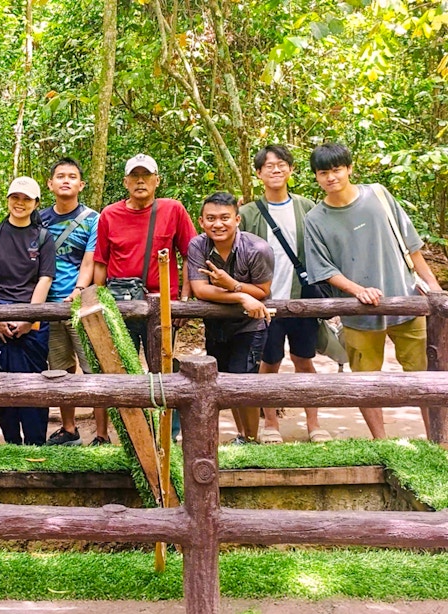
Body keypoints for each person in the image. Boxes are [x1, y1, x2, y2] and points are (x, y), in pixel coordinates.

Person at [305, 142, 442, 439]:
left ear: (349, 169)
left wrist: (433, 287)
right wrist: (358, 290)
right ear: (316, 176)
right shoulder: (315, 219)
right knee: (365, 381)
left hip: (406, 300)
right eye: (323, 172)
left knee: (425, 375)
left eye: (337, 169)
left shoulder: (378, 194)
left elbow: (411, 244)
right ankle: (381, 441)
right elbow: (323, 269)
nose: (331, 177)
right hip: (359, 312)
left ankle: (438, 441)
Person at [93, 154, 196, 439]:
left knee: (161, 366)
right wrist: (99, 302)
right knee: (121, 366)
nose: (140, 181)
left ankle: (168, 433)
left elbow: (191, 254)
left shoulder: (173, 210)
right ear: (125, 182)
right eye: (134, 176)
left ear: (156, 180)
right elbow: (101, 262)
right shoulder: (109, 215)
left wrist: (184, 300)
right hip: (120, 305)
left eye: (146, 175)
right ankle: (133, 432)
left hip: (162, 305)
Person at [239, 145, 331, 444]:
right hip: (266, 303)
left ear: (291, 170)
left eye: (281, 164)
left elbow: (323, 251)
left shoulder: (308, 208)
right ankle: (270, 425)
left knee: (304, 360)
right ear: (258, 174)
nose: (276, 170)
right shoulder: (248, 213)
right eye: (269, 166)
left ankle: (314, 424)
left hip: (301, 300)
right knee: (270, 363)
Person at [188, 192, 274, 443]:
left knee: (242, 381)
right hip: (215, 326)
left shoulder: (258, 248)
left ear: (237, 219)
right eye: (211, 218)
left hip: (250, 325)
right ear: (202, 222)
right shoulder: (197, 245)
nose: (218, 224)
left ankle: (250, 439)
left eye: (225, 218)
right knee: (224, 383)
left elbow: (263, 291)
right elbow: (200, 289)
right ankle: (241, 435)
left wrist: (232, 284)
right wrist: (240, 296)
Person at [40, 157, 107, 446]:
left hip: (82, 306)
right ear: (50, 183)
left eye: (72, 176)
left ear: (81, 184)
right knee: (59, 369)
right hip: (50, 306)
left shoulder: (93, 218)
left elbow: (90, 260)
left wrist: (80, 289)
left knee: (94, 367)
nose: (65, 180)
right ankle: (69, 429)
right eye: (60, 176)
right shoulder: (38, 219)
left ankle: (102, 434)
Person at [0, 176, 56, 445]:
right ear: (7, 199)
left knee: (35, 383)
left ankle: (37, 444)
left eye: (27, 199)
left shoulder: (43, 237)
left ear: (36, 203)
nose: (20, 203)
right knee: (3, 386)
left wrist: (29, 318)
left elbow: (45, 279)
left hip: (32, 322)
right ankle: (12, 444)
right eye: (16, 197)